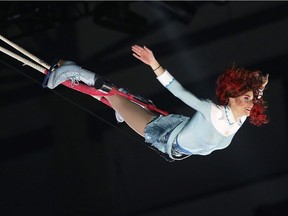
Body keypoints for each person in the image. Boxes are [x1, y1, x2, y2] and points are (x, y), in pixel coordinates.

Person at [46, 45, 269, 161]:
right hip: (162, 134)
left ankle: (130, 105)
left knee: (125, 105)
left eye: (252, 99)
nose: (251, 104)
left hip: (174, 137)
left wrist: (258, 88)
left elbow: (253, 95)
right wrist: (154, 64)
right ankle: (72, 70)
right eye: (246, 99)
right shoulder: (212, 111)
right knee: (114, 99)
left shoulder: (239, 117)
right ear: (230, 98)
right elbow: (178, 91)